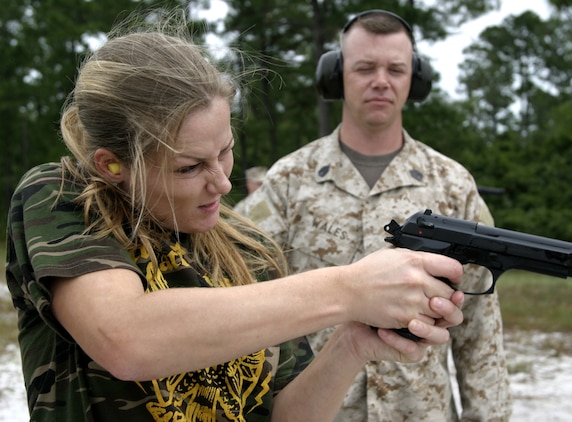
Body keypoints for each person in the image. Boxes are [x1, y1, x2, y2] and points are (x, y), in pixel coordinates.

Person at [4, 10, 467, 422]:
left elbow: (285, 413)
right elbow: (125, 338)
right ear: (111, 165)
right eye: (190, 167)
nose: (222, 184)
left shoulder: (248, 248)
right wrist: (348, 289)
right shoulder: (62, 197)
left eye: (225, 152)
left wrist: (350, 345)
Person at [234, 9, 511, 422]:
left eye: (395, 69)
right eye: (365, 68)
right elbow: (238, 285)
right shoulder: (290, 180)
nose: (381, 80)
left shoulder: (453, 184)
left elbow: (479, 327)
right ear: (336, 75)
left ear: (414, 80)